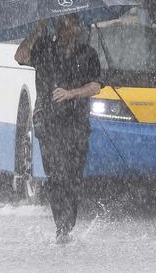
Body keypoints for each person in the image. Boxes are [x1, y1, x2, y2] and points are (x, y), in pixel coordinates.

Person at [15, 13, 102, 243]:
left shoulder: (88, 53)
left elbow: (95, 87)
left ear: (77, 28)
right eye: (61, 24)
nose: (66, 29)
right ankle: (62, 227)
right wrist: (36, 29)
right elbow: (20, 55)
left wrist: (71, 93)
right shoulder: (44, 47)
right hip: (48, 121)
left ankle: (68, 223)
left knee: (73, 176)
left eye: (71, 24)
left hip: (77, 123)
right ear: (55, 27)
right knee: (57, 173)